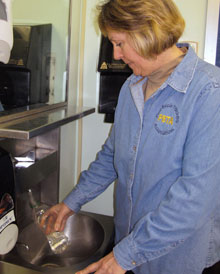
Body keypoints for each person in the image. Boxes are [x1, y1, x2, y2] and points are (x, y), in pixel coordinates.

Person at [41, 0, 220, 273]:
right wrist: (71, 201)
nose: (115, 55)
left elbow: (195, 199)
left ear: (149, 32)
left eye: (120, 43)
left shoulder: (209, 91)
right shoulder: (131, 87)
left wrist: (124, 255)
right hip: (131, 252)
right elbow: (112, 156)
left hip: (179, 260)